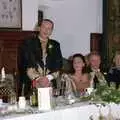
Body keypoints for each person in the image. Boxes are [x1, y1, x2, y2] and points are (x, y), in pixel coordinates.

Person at [18, 19, 63, 98]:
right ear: (39, 28)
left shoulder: (55, 44)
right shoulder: (28, 43)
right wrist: (38, 78)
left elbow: (58, 64)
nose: (46, 30)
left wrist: (48, 78)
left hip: (50, 82)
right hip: (31, 82)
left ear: (52, 31)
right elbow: (26, 63)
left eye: (49, 28)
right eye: (44, 27)